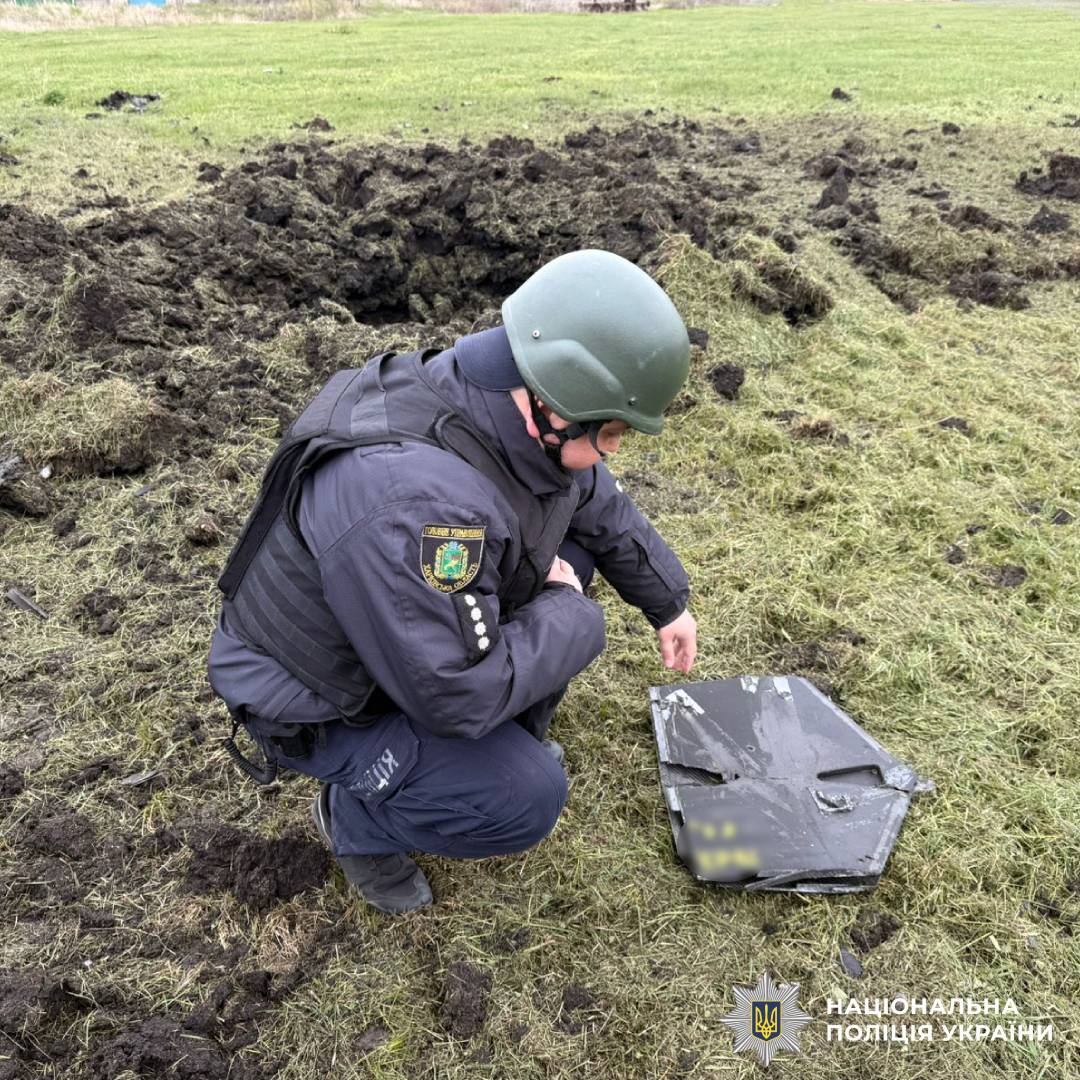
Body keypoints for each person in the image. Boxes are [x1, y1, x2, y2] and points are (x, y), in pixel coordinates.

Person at [207, 249, 698, 914]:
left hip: (393, 634)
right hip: (317, 701)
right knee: (524, 797)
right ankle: (356, 822)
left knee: (571, 553)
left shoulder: (491, 400)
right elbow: (457, 696)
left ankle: (492, 745)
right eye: (609, 432)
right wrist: (574, 616)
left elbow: (588, 495)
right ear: (554, 405)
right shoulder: (418, 504)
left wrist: (666, 604)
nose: (612, 451)